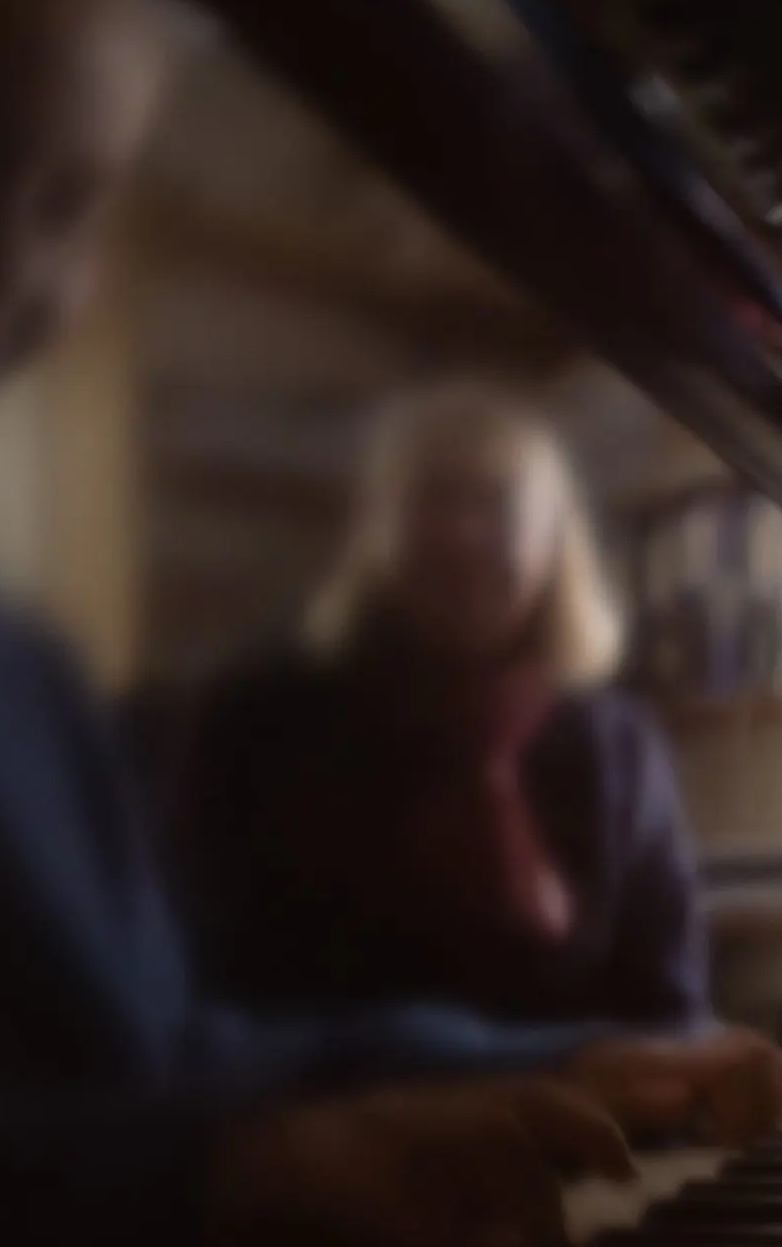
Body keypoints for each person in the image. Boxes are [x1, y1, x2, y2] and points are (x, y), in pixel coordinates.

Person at [0, 0, 782, 1247]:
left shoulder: (9, 665)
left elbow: (175, 1044)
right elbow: (187, 1070)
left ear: (554, 540)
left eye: (77, 201)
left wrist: (586, 1055)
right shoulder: (257, 720)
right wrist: (252, 1158)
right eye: (16, 176)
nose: (48, 286)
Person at [170, 392, 706, 1029]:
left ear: (554, 542)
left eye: (496, 503)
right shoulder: (257, 727)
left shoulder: (622, 747)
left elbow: (670, 1006)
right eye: (431, 499)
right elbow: (223, 1001)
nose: (462, 534)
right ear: (376, 532)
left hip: (599, 1122)